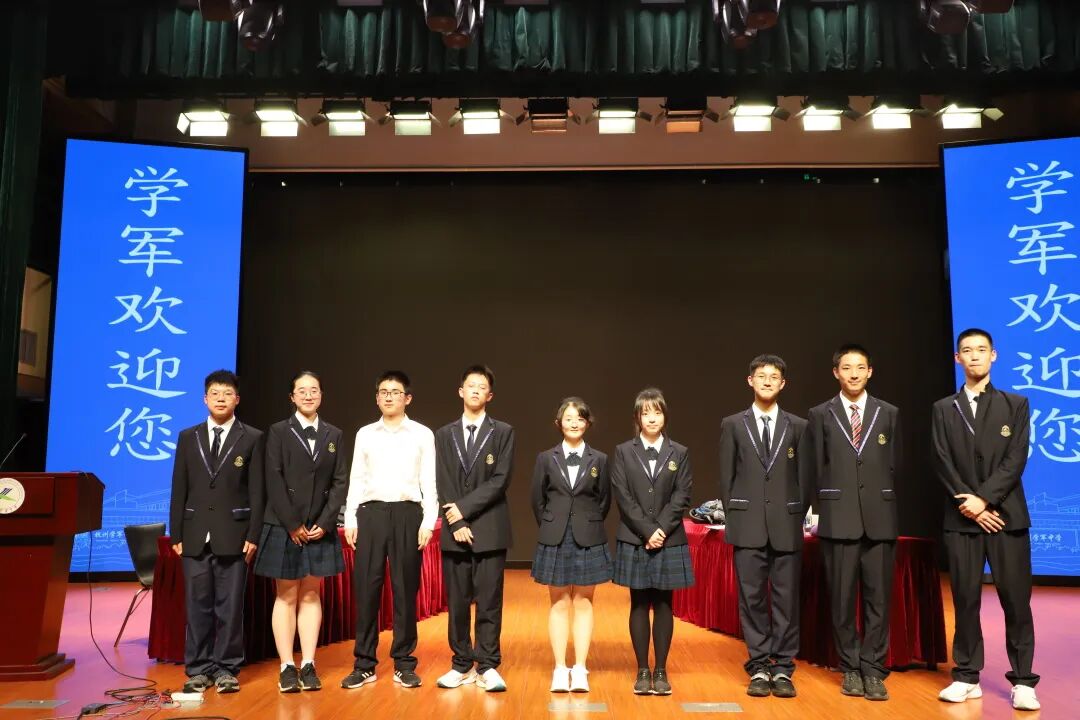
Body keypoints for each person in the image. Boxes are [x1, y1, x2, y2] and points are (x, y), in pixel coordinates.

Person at [932, 328, 1040, 711]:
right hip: (962, 519)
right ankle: (966, 676)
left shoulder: (1016, 404)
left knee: (1016, 600)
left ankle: (1023, 681)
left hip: (1006, 518)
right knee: (965, 599)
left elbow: (1016, 458)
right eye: (967, 350)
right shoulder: (944, 408)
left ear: (993, 355)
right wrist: (970, 503)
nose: (975, 355)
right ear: (957, 358)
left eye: (981, 349)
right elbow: (942, 460)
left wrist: (985, 500)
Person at [801, 344, 901, 701]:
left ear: (870, 371)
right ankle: (850, 668)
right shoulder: (820, 414)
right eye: (847, 367)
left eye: (860, 367)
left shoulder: (888, 413)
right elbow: (813, 466)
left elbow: (894, 464)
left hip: (880, 519)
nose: (854, 373)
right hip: (838, 518)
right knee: (841, 600)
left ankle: (873, 669)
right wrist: (814, 510)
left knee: (878, 600)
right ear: (836, 373)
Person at [339, 370, 437, 690]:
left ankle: (404, 663)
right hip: (371, 514)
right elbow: (357, 478)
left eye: (395, 392)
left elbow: (429, 481)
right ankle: (364, 664)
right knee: (367, 590)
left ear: (407, 398)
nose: (389, 396)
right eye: (383, 392)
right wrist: (351, 518)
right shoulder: (365, 434)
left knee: (405, 590)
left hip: (408, 514)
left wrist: (428, 521)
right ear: (377, 397)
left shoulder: (422, 434)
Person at [168, 369, 264, 694]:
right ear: (204, 398)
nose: (221, 398)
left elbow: (257, 492)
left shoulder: (252, 437)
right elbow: (179, 488)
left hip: (234, 535)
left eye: (227, 393)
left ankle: (226, 668)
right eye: (215, 393)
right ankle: (198, 668)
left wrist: (253, 535)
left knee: (230, 607)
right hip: (194, 535)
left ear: (237, 399)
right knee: (197, 606)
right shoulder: (188, 437)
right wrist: (177, 534)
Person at [718, 354, 807, 699]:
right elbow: (727, 478)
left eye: (774, 377)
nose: (767, 381)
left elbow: (804, 478)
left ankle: (783, 667)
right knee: (752, 599)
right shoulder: (733, 425)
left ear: (783, 384)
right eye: (761, 375)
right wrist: (737, 517)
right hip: (748, 525)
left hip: (786, 524)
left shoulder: (797, 426)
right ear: (750, 381)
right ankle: (758, 666)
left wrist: (797, 515)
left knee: (786, 600)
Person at [254, 371, 348, 693]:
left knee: (311, 593)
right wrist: (293, 524)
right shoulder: (278, 431)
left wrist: (325, 521)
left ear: (321, 395)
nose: (308, 395)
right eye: (302, 391)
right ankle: (286, 666)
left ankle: (308, 663)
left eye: (314, 390)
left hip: (319, 526)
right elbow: (273, 478)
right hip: (285, 525)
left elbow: (339, 481)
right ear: (292, 397)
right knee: (286, 594)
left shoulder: (334, 434)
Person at [434, 365, 515, 692]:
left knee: (489, 601)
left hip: (491, 529)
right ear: (461, 391)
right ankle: (461, 664)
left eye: (482, 387)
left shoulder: (503, 432)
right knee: (457, 602)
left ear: (489, 395)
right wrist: (457, 522)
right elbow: (442, 479)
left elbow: (500, 480)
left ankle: (488, 665)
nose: (476, 390)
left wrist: (463, 511)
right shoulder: (444, 434)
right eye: (471, 385)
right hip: (455, 530)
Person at [610, 388, 694, 696]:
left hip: (669, 539)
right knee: (638, 602)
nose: (652, 418)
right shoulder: (623, 452)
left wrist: (660, 529)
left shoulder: (679, 452)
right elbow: (623, 496)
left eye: (657, 412)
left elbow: (682, 495)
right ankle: (642, 670)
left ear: (665, 416)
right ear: (637, 418)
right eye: (645, 413)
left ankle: (661, 670)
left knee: (663, 604)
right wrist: (648, 531)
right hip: (635, 539)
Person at [530, 397, 612, 693]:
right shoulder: (545, 458)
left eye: (580, 418)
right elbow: (537, 500)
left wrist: (585, 523)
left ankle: (579, 668)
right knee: (559, 602)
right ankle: (559, 668)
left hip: (588, 537)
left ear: (587, 423)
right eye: (568, 418)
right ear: (559, 423)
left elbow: (604, 500)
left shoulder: (599, 459)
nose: (574, 423)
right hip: (556, 537)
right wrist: (555, 525)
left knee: (584, 602)